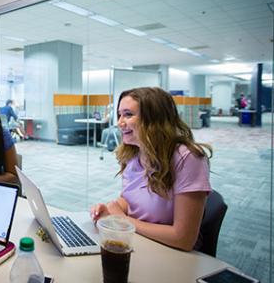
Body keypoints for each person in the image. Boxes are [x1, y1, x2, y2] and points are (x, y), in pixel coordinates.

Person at [90, 87, 212, 251]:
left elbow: (183, 238)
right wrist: (112, 210)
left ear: (154, 119)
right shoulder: (134, 153)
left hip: (170, 252)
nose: (119, 122)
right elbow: (131, 199)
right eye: (119, 115)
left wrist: (123, 220)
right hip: (139, 241)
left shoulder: (187, 158)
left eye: (128, 114)